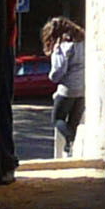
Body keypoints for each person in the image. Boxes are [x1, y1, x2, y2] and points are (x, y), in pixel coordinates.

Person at [40, 13, 82, 152]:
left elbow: (59, 70)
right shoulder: (83, 40)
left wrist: (52, 77)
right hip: (84, 88)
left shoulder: (63, 45)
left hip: (68, 88)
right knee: (73, 122)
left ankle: (70, 139)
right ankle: (69, 148)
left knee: (57, 120)